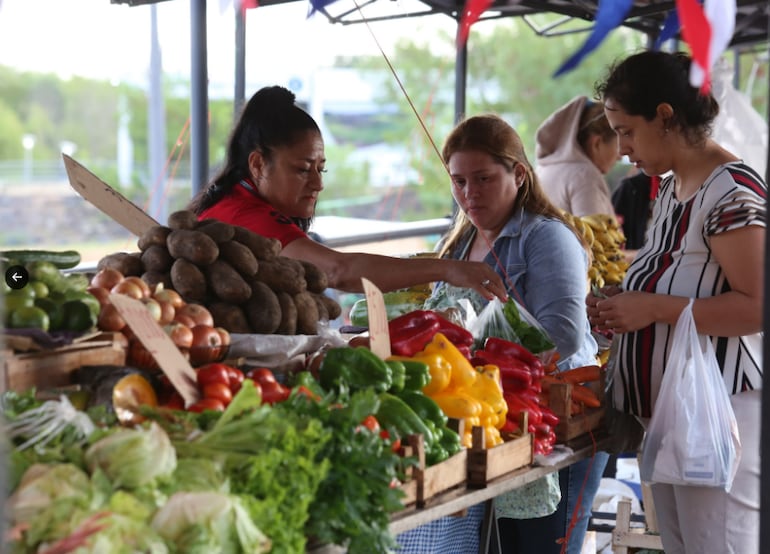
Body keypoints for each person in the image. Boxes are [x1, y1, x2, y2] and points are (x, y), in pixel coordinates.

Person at [398, 113, 604, 554]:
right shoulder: (457, 242)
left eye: (484, 179)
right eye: (458, 181)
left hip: (552, 420)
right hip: (490, 420)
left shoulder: (546, 238)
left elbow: (563, 335)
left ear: (520, 174)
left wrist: (475, 357)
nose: (469, 194)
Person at [587, 50, 764, 554]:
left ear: (665, 117)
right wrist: (623, 300)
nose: (622, 148)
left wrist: (654, 309)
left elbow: (756, 306)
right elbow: (678, 278)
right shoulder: (669, 188)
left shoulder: (732, 191)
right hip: (671, 415)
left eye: (627, 130)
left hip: (719, 415)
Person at [187, 85, 507, 302]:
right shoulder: (246, 217)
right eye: (302, 169)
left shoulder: (235, 204)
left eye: (320, 169)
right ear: (257, 164)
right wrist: (446, 269)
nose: (317, 184)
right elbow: (338, 271)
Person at [535, 95, 620, 217]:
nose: (620, 156)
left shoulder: (543, 170)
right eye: (617, 146)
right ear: (596, 143)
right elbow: (596, 234)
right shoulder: (584, 175)